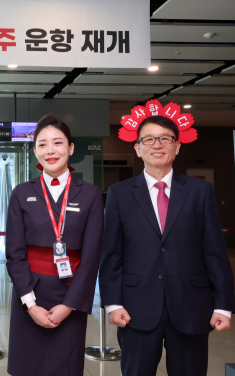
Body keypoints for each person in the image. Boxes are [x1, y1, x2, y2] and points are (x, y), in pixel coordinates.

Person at [100, 103, 235, 376]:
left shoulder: (200, 191)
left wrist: (224, 305)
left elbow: (214, 252)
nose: (157, 144)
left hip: (192, 306)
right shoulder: (119, 193)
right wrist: (113, 304)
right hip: (136, 308)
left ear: (177, 146)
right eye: (148, 139)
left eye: (165, 138)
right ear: (138, 148)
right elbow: (111, 254)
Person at [6, 114, 104, 376]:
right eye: (42, 144)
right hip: (31, 293)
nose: (50, 151)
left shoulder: (91, 194)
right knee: (27, 367)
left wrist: (69, 305)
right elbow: (14, 254)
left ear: (71, 148)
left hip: (70, 294)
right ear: (35, 150)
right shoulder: (21, 192)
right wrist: (31, 304)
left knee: (65, 367)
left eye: (58, 143)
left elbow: (92, 256)